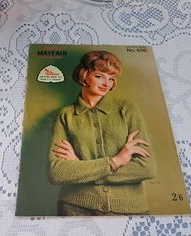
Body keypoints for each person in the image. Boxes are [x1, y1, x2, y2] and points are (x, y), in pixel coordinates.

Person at [48, 50, 156, 216]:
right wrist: (115, 162)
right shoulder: (66, 115)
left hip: (130, 209)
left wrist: (80, 167)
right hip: (74, 208)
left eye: (111, 78)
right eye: (99, 76)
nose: (106, 83)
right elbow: (57, 173)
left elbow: (146, 169)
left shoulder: (127, 110)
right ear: (84, 75)